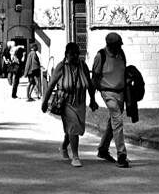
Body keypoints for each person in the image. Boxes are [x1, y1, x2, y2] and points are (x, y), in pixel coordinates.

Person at [41, 41, 97, 167]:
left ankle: (64, 146)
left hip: (80, 102)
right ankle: (75, 156)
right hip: (66, 103)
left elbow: (89, 84)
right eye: (72, 54)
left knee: (74, 129)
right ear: (66, 54)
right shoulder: (61, 67)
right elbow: (51, 85)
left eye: (77, 54)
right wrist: (45, 102)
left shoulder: (83, 66)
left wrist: (93, 100)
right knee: (73, 127)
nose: (75, 56)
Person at [92, 32, 130, 168]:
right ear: (110, 45)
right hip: (107, 92)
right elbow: (94, 78)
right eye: (118, 45)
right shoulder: (101, 56)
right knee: (117, 120)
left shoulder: (121, 54)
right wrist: (92, 99)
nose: (120, 47)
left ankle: (103, 149)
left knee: (113, 122)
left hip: (120, 92)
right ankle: (122, 155)